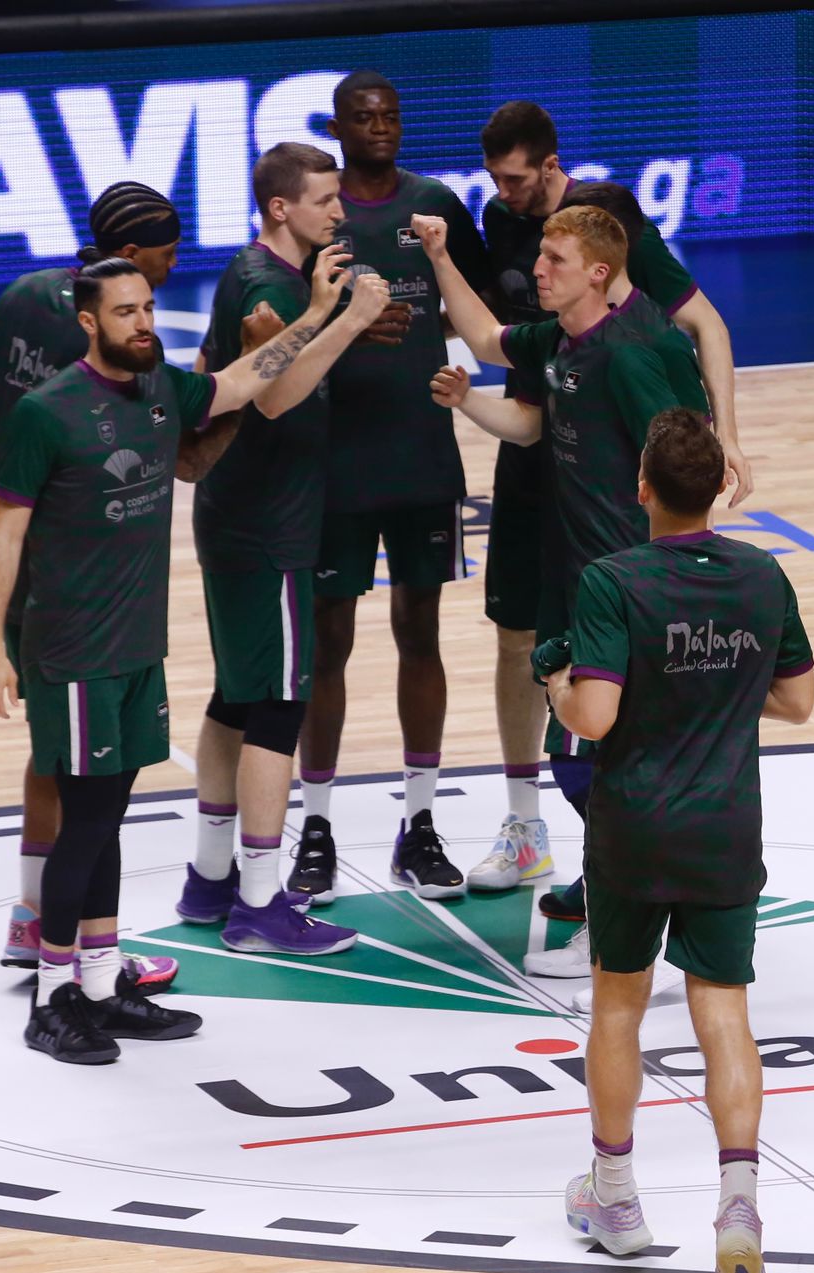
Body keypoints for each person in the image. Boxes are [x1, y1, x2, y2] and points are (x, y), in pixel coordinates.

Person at [0, 253, 390, 1064]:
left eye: (149, 309)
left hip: (138, 649)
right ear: (89, 323)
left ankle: (99, 982)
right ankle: (54, 997)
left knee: (109, 819)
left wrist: (315, 313)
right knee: (86, 824)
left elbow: (238, 384)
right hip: (73, 652)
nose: (143, 324)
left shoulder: (162, 390)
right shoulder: (46, 414)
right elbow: (6, 532)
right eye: (125, 313)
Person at [535, 409, 812, 1273]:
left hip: (636, 827)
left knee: (618, 1005)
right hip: (726, 825)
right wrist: (723, 696)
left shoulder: (613, 580)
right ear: (720, 489)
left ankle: (614, 1200)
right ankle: (738, 1210)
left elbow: (596, 718)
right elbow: (799, 700)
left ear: (643, 487)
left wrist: (554, 680)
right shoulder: (763, 576)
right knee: (723, 1012)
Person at [468, 100, 751, 917]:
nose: (506, 193)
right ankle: (534, 828)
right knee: (521, 629)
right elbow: (501, 342)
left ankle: (638, 856)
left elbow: (704, 325)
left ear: (552, 169)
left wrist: (722, 439)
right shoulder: (499, 220)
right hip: (543, 444)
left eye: (518, 179)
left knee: (614, 673)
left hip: (615, 478)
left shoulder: (611, 231)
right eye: (496, 180)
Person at [419, 205, 709, 986]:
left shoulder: (640, 351)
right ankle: (632, 880)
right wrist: (444, 263)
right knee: (582, 758)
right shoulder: (558, 341)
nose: (536, 270)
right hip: (575, 581)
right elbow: (494, 359)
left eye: (553, 259)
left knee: (591, 764)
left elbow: (689, 467)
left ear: (599, 272)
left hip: (629, 593)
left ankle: (626, 915)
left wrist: (668, 582)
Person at [0, 181, 196, 992]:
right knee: (81, 773)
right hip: (66, 562)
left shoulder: (24, 295)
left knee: (61, 758)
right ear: (125, 263)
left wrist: (2, 506)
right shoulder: (106, 359)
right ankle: (62, 959)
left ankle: (41, 925)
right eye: (164, 256)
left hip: (35, 539)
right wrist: (27, 527)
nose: (170, 273)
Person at [289, 69, 491, 906]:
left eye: (390, 116)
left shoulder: (433, 202)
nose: (380, 128)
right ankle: (317, 827)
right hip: (335, 459)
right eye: (364, 118)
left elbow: (480, 299)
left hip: (419, 453)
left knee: (421, 632)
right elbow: (290, 313)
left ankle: (420, 824)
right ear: (337, 127)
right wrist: (353, 327)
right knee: (327, 646)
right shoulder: (323, 215)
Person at [174, 143, 363, 957]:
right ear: (281, 208)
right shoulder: (266, 287)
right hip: (267, 521)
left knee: (237, 696)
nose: (339, 211)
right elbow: (279, 396)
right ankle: (259, 899)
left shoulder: (260, 274)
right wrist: (344, 316)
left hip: (237, 513)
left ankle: (209, 876)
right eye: (324, 199)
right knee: (280, 705)